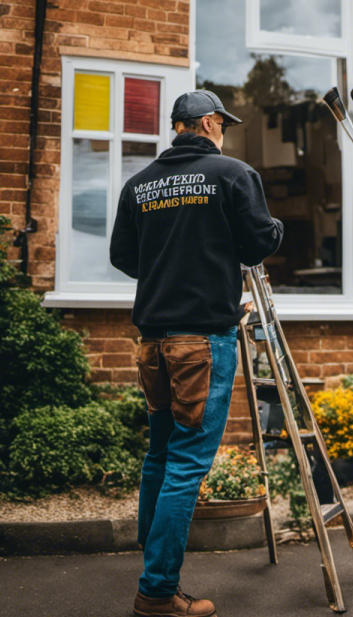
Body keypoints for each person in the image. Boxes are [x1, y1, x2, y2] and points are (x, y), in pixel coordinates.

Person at [110, 90, 283, 617]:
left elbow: (123, 257)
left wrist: (173, 262)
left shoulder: (139, 184)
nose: (224, 132)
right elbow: (258, 244)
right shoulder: (232, 174)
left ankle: (152, 556)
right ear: (208, 123)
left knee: (160, 453)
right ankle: (158, 590)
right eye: (223, 124)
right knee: (187, 464)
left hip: (153, 341)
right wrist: (271, 228)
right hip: (203, 340)